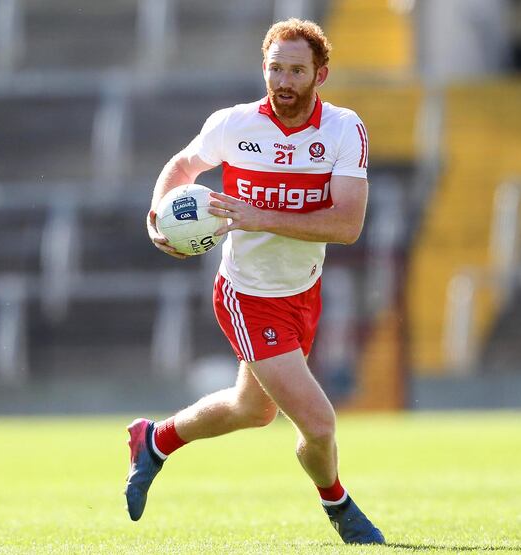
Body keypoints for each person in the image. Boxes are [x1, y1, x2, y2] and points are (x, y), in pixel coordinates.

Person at [126, 18, 383, 545]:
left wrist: (257, 215)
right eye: (275, 68)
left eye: (296, 70)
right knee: (319, 423)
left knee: (252, 410)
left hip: (302, 291)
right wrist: (158, 214)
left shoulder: (343, 129)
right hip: (248, 295)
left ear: (320, 75)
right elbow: (183, 165)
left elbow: (347, 225)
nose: (284, 80)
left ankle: (153, 440)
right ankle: (339, 506)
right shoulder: (234, 124)